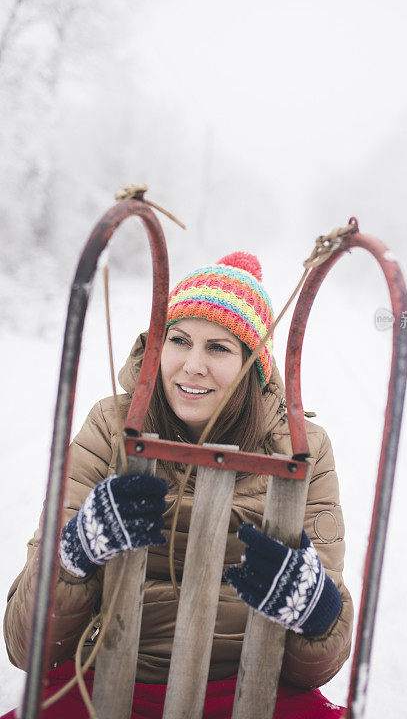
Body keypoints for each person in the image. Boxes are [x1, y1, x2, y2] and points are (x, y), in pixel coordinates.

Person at [3, 252, 353, 718]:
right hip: (106, 677)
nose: (191, 365)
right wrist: (74, 556)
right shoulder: (111, 428)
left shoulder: (299, 448)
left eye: (219, 348)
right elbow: (26, 646)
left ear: (254, 363)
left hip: (249, 686)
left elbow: (315, 669)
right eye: (179, 340)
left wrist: (317, 613)